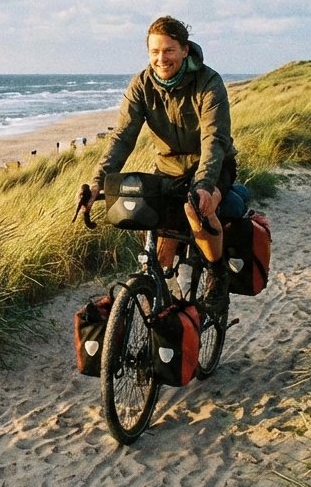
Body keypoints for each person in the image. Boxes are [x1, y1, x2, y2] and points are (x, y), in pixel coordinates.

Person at [88, 16, 237, 306]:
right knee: (151, 223)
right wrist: (97, 182)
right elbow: (123, 137)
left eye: (169, 50)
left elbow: (214, 139)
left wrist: (204, 185)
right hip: (168, 169)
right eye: (155, 51)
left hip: (214, 166)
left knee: (196, 210)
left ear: (184, 50)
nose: (161, 58)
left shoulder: (209, 82)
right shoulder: (141, 85)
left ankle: (217, 273)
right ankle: (160, 296)